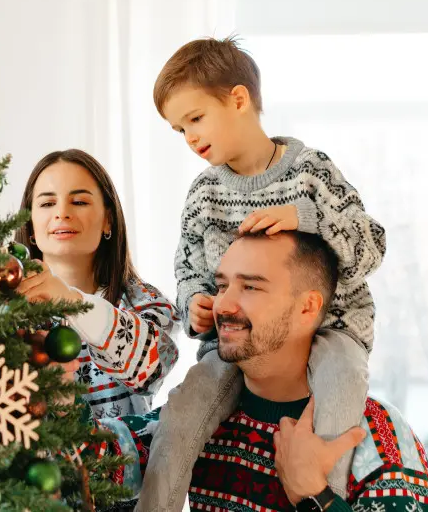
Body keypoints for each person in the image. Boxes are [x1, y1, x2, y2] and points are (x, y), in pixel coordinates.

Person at [156, 36, 386, 495]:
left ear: (239, 99)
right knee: (179, 418)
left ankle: (316, 496)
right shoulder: (204, 194)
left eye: (195, 119)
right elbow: (188, 270)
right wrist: (194, 302)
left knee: (339, 399)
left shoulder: (311, 171)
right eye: (180, 130)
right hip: (237, 340)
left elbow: (372, 243)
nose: (190, 138)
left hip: (335, 328)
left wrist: (307, 219)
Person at [86, 232, 428, 512]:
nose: (223, 304)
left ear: (307, 307)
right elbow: (84, 462)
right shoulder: (197, 419)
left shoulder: (378, 437)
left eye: (250, 286)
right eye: (222, 286)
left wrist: (316, 495)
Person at [14, 149, 179, 418]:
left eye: (79, 201)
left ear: (107, 220)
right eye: (47, 204)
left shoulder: (143, 300)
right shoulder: (7, 308)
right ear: (30, 226)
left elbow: (154, 366)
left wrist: (69, 300)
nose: (62, 213)